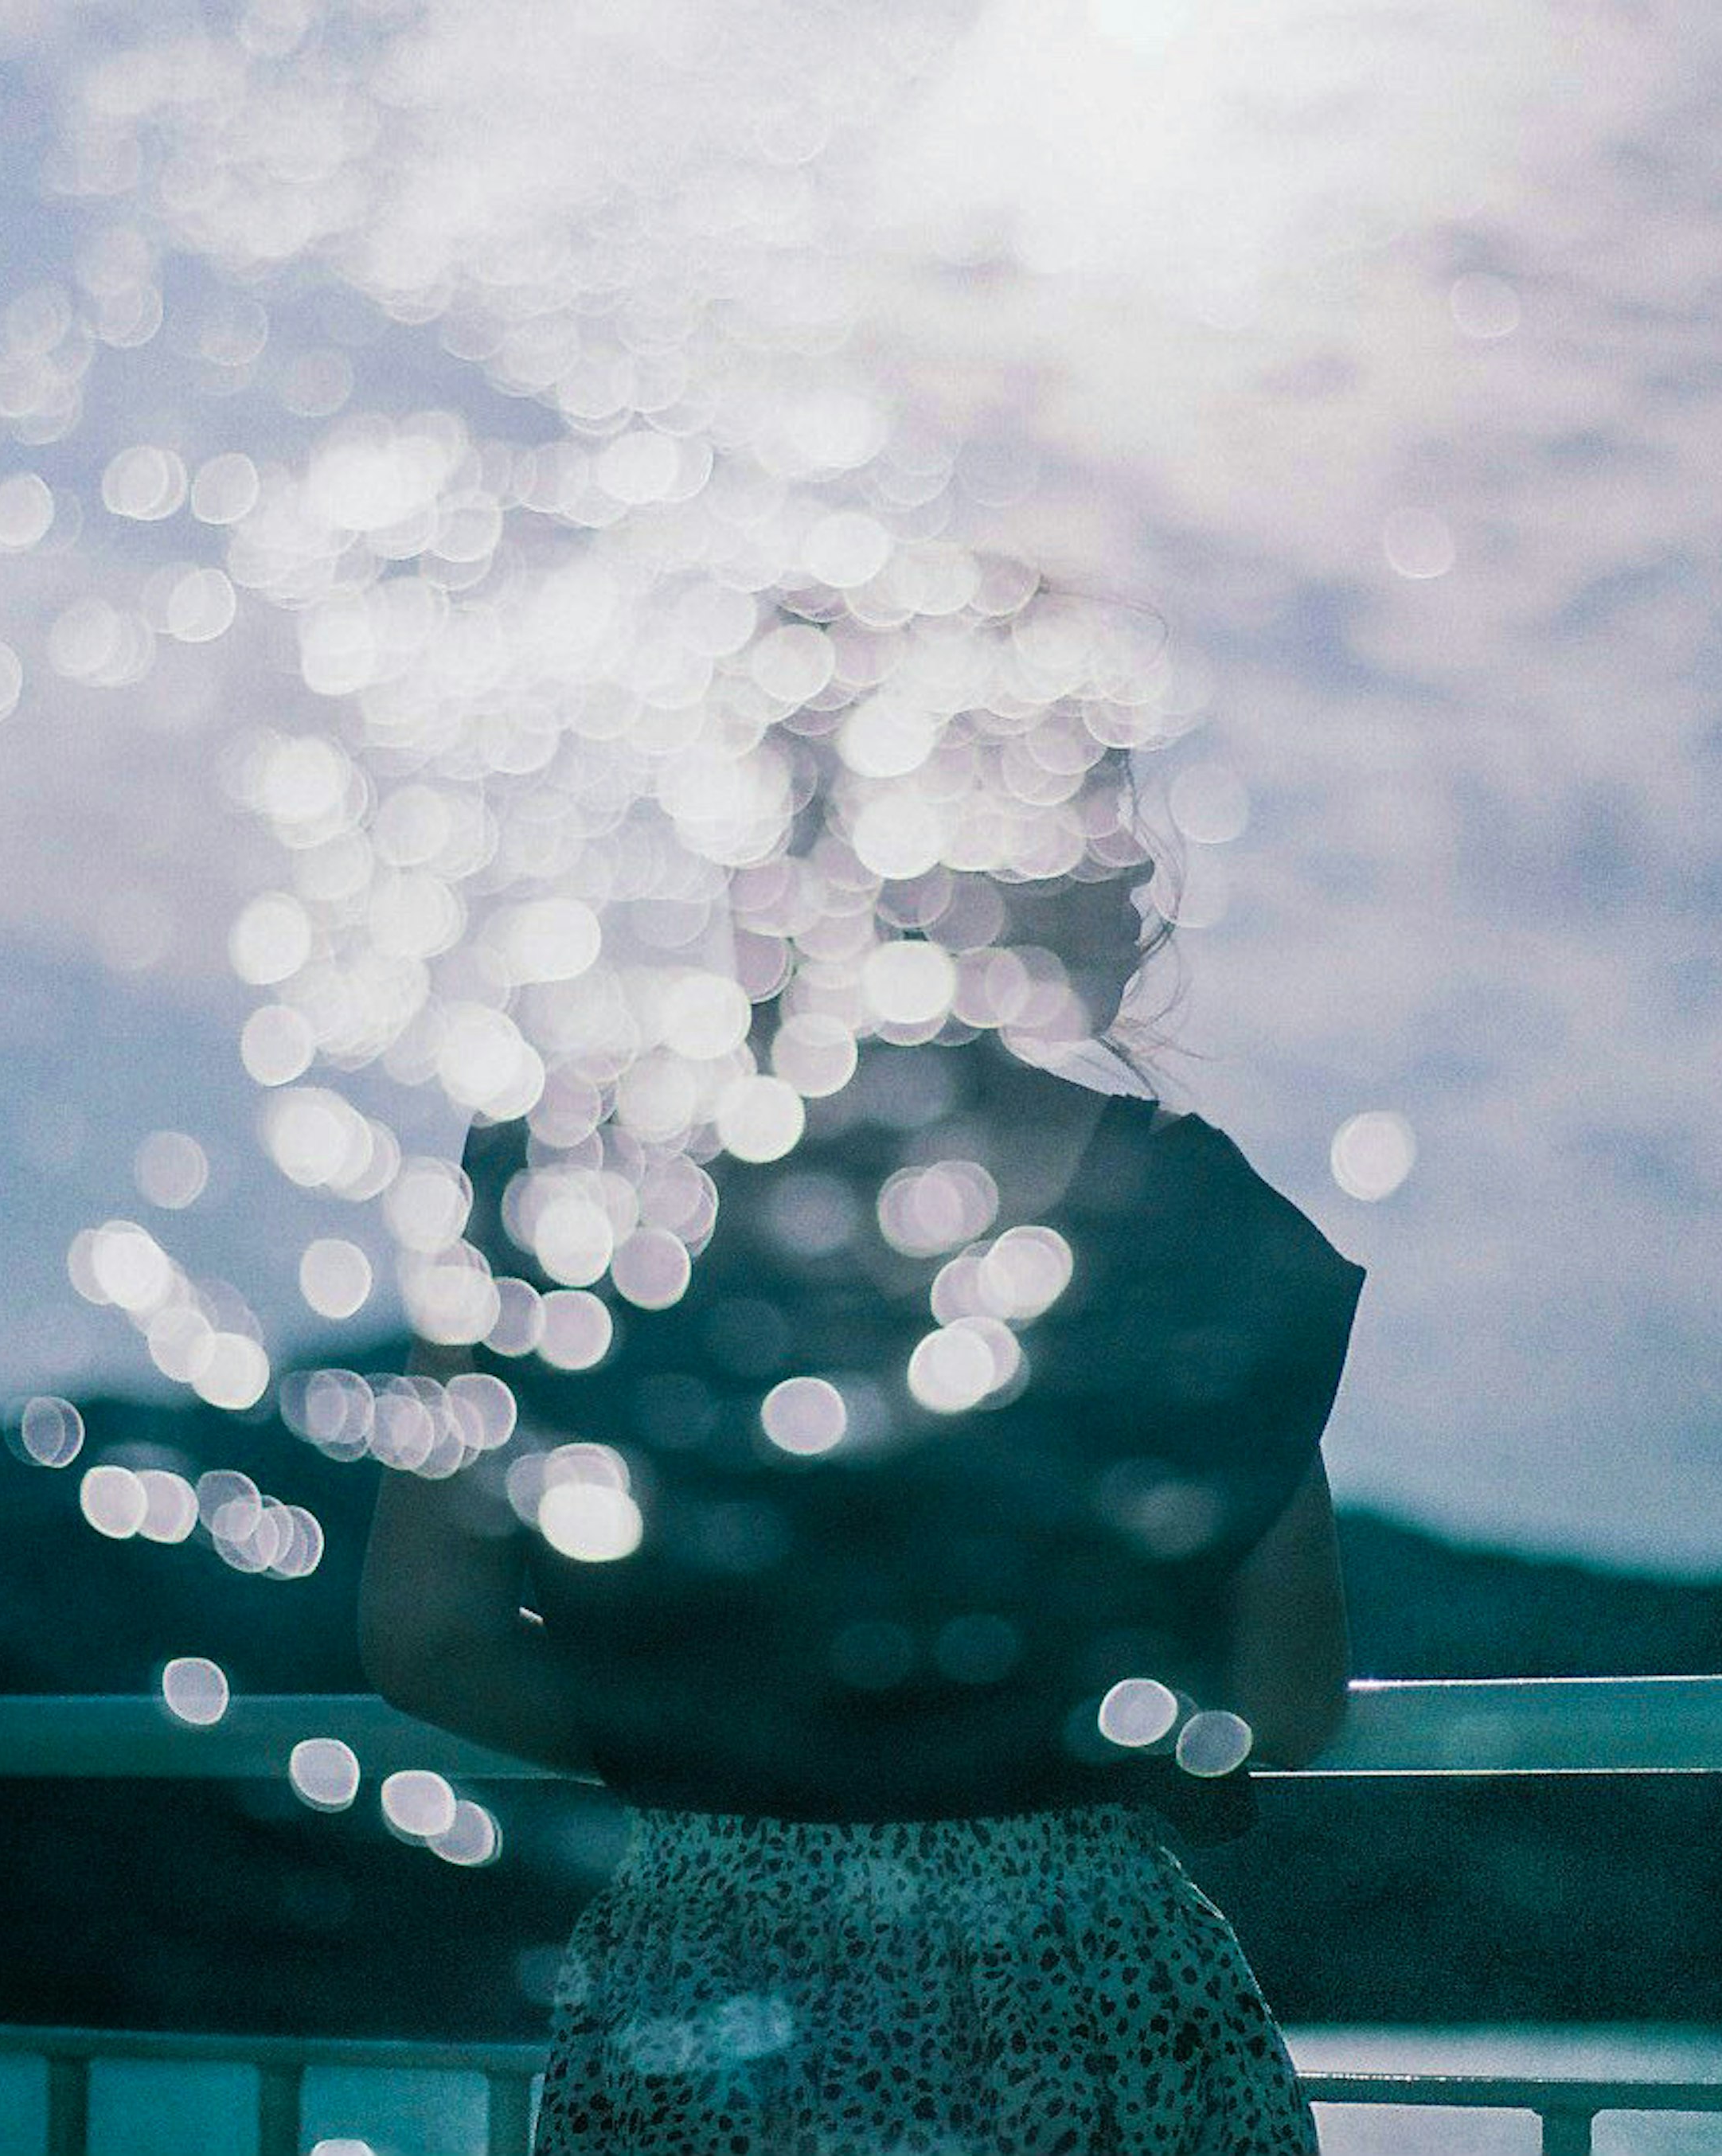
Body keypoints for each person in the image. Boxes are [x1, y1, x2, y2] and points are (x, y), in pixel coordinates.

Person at [358, 748, 1367, 2154]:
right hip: (1092, 2000)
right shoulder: (1203, 1218)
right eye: (1100, 818)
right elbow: (1286, 1696)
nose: (1136, 870)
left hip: (705, 2012)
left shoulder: (556, 1171)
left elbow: (426, 1637)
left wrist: (743, 1757)